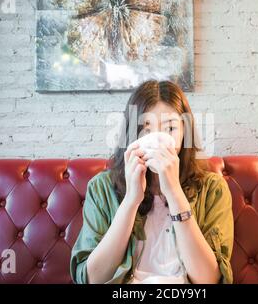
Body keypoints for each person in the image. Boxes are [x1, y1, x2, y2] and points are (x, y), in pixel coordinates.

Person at [70, 80, 234, 284]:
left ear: (185, 132)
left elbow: (208, 280)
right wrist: (131, 200)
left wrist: (175, 193)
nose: (157, 140)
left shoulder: (212, 189)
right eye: (146, 130)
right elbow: (92, 279)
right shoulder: (101, 187)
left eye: (170, 128)